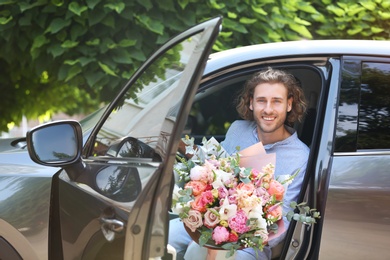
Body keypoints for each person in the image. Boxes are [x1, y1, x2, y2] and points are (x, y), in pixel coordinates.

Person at [169, 67, 310, 260]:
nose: (268, 109)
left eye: (276, 101)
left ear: (289, 104)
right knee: (163, 233)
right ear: (251, 103)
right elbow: (214, 165)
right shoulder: (238, 129)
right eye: (261, 101)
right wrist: (180, 144)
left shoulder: (301, 156)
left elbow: (282, 223)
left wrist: (227, 240)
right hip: (208, 223)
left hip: (250, 243)